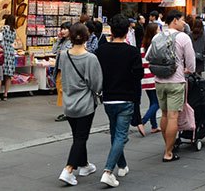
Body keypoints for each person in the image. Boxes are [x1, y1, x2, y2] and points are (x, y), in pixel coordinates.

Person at [95, 15, 143, 187]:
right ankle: (108, 171)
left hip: (108, 98)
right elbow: (139, 75)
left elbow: (97, 74)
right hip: (126, 98)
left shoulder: (100, 51)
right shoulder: (132, 52)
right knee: (121, 135)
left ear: (111, 31)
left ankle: (122, 165)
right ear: (127, 31)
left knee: (116, 134)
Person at [58, 23, 103, 186]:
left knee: (78, 135)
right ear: (87, 37)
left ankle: (84, 165)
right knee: (81, 137)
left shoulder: (63, 55)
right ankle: (69, 169)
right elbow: (97, 84)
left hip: (68, 103)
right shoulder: (91, 58)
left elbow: (61, 73)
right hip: (85, 103)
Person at [150, 10, 195, 162]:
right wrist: (186, 69)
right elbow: (191, 64)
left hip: (159, 81)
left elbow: (150, 55)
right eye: (182, 20)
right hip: (176, 81)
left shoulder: (157, 36)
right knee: (173, 117)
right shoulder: (183, 37)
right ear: (175, 21)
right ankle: (168, 152)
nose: (184, 23)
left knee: (164, 115)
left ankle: (167, 145)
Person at [139, 23, 161, 134]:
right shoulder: (155, 44)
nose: (160, 31)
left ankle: (154, 126)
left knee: (152, 101)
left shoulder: (143, 45)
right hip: (153, 75)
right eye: (158, 29)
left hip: (145, 76)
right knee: (157, 103)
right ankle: (142, 121)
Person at [52, 22, 74, 122]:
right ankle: (66, 111)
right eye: (62, 29)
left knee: (64, 90)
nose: (63, 31)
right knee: (60, 89)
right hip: (60, 68)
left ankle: (68, 112)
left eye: (65, 29)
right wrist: (58, 39)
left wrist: (63, 52)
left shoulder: (72, 42)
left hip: (67, 69)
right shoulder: (62, 41)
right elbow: (53, 50)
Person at [1, 15, 19, 100]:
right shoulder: (14, 30)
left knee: (0, 74)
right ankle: (5, 94)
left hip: (3, 50)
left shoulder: (4, 28)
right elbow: (13, 40)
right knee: (8, 75)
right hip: (11, 51)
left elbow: (0, 37)